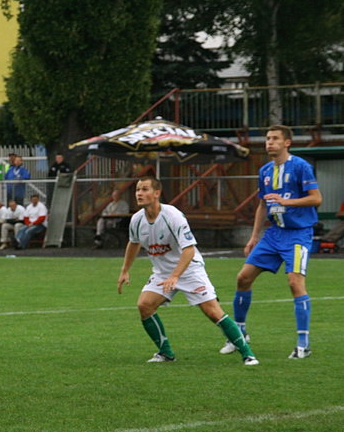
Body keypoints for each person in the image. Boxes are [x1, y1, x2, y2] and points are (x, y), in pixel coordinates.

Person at [118, 176, 258, 365]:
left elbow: (189, 249)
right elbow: (133, 243)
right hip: (163, 273)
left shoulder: (172, 216)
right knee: (144, 306)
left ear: (157, 193)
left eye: (144, 189)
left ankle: (247, 354)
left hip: (190, 269)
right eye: (137, 190)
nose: (139, 194)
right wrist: (125, 269)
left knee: (213, 312)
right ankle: (166, 353)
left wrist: (176, 276)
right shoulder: (136, 220)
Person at [229, 125, 322, 359]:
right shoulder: (265, 171)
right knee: (243, 278)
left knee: (294, 283)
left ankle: (304, 344)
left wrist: (286, 202)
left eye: (275, 139)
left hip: (298, 234)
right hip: (273, 235)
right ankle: (239, 334)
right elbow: (263, 204)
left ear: (287, 143)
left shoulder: (301, 166)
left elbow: (316, 199)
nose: (269, 142)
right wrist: (254, 236)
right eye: (267, 138)